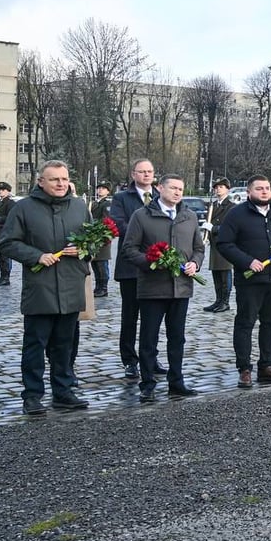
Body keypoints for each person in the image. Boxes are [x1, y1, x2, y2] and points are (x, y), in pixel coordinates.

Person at [0, 160, 90, 415]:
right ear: (41, 182)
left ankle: (63, 391)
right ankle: (32, 395)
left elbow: (95, 240)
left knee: (64, 345)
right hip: (40, 288)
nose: (60, 184)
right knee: (35, 345)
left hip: (71, 285)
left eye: (64, 179)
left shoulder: (79, 207)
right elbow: (6, 242)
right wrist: (36, 256)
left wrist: (84, 249)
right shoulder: (24, 208)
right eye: (54, 179)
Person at [121, 173, 205, 402]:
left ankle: (176, 382)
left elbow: (199, 248)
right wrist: (151, 262)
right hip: (153, 287)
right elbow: (129, 249)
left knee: (177, 338)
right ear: (160, 188)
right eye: (173, 188)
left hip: (181, 288)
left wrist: (195, 263)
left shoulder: (189, 216)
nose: (177, 192)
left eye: (181, 189)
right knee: (149, 338)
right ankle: (148, 384)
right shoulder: (142, 216)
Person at [215, 175, 271, 389]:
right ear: (249, 192)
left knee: (270, 323)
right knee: (245, 323)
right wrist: (247, 261)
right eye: (259, 188)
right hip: (249, 280)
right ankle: (244, 369)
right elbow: (224, 243)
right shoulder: (237, 214)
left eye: (267, 188)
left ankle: (266, 366)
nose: (264, 191)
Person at [109, 158, 160, 382]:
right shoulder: (122, 198)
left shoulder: (160, 195)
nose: (146, 175)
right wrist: (146, 231)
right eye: (142, 171)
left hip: (157, 265)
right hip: (130, 265)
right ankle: (130, 360)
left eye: (150, 171)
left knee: (153, 317)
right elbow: (118, 224)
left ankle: (151, 357)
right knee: (130, 316)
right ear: (133, 174)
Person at [202, 177, 236, 313]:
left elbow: (232, 227)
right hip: (215, 244)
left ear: (228, 189)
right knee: (216, 273)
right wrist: (206, 236)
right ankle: (218, 300)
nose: (218, 190)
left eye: (221, 187)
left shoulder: (232, 207)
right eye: (216, 188)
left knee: (225, 273)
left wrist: (214, 229)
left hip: (226, 244)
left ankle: (225, 302)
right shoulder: (213, 206)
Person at [88, 182, 113, 297]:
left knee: (102, 264)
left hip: (102, 237)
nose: (100, 190)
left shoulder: (107, 204)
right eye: (99, 188)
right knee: (95, 263)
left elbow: (106, 219)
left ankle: (103, 288)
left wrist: (94, 224)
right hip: (94, 237)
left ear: (108, 191)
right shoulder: (94, 203)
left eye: (103, 188)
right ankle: (98, 287)